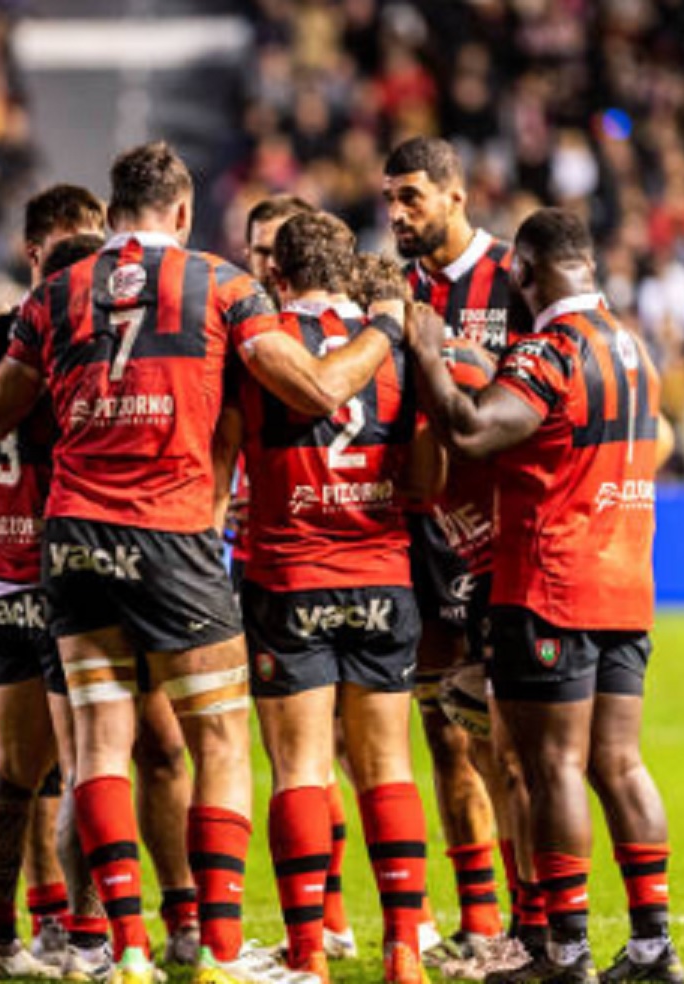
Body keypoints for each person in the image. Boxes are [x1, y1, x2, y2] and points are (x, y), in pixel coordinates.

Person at [0, 141, 398, 984]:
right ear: (184, 213)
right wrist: (382, 329)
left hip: (76, 538)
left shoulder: (54, 294)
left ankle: (125, 948)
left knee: (98, 746)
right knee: (224, 741)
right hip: (172, 535)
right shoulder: (225, 286)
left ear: (114, 207)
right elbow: (312, 390)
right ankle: (218, 953)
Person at [407, 207, 684, 984]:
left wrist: (430, 353)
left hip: (552, 586)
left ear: (525, 273)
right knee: (620, 765)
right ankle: (653, 945)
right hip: (627, 585)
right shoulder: (634, 349)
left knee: (553, 765)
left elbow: (469, 429)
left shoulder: (553, 351)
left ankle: (562, 952)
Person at [231, 214, 432, 984]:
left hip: (291, 575)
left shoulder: (260, 339)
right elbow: (426, 474)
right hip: (382, 572)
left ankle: (308, 954)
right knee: (387, 768)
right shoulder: (402, 347)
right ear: (349, 275)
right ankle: (404, 952)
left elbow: (229, 441)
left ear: (278, 274)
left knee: (301, 771)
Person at [0, 198, 100, 979]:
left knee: (14, 769)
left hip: (1, 583)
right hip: (72, 575)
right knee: (91, 762)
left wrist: (3, 506)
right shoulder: (74, 349)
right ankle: (87, 938)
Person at [382, 135, 520, 960]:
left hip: (501, 538)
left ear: (454, 196)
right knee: (444, 730)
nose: (397, 214)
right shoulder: (392, 290)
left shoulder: (514, 277)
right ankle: (480, 924)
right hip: (421, 535)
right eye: (390, 200)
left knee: (501, 736)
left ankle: (528, 921)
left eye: (411, 198)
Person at [233, 194, 360, 965]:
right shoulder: (256, 326)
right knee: (336, 753)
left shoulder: (268, 338)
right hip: (298, 558)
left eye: (268, 251)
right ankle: (340, 924)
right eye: (251, 249)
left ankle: (315, 935)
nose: (258, 262)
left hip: (300, 560)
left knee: (310, 757)